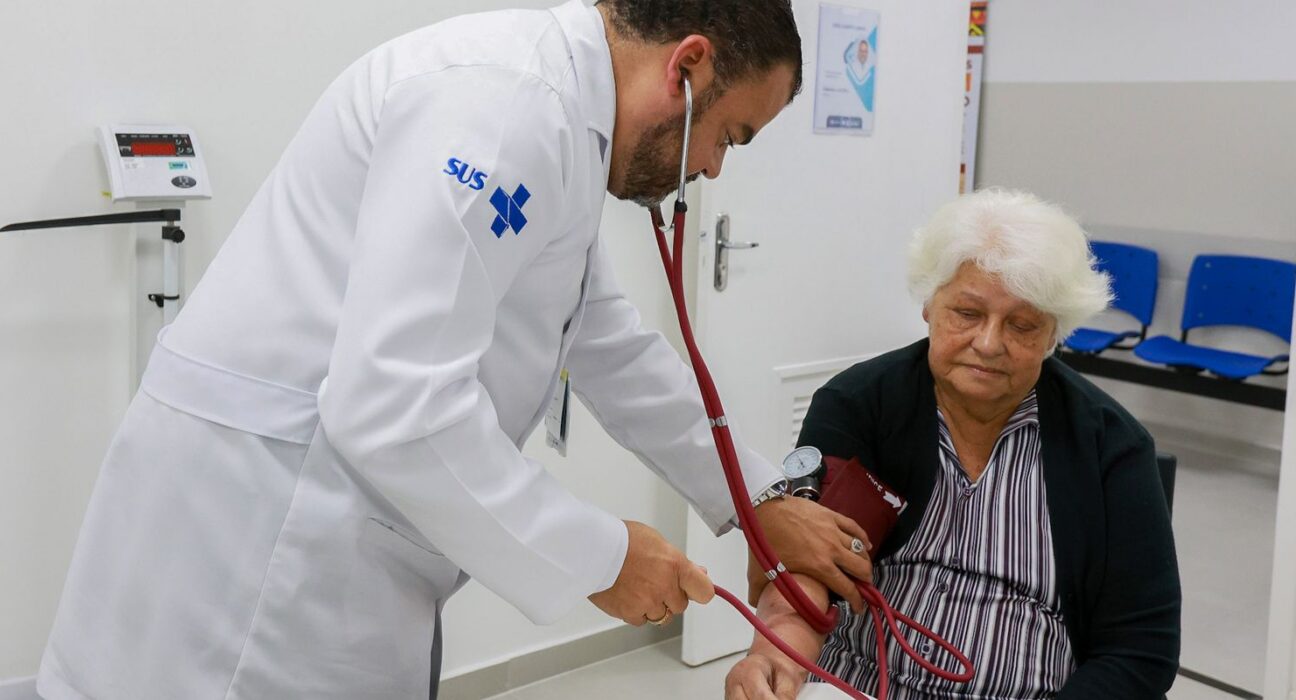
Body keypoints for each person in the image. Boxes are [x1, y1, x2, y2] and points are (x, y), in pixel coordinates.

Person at [37, 2, 877, 698]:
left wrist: (756, 497)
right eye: (729, 135)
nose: (712, 170)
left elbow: (604, 340)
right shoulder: (506, 107)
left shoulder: (560, 124)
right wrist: (601, 555)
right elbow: (393, 406)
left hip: (328, 534)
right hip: (258, 549)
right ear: (686, 67)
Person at [725, 190, 1181, 699]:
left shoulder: (1112, 448)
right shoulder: (859, 404)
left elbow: (1141, 651)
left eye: (1022, 324)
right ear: (928, 305)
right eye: (967, 313)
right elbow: (811, 564)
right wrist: (774, 658)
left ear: (1055, 333)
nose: (988, 343)